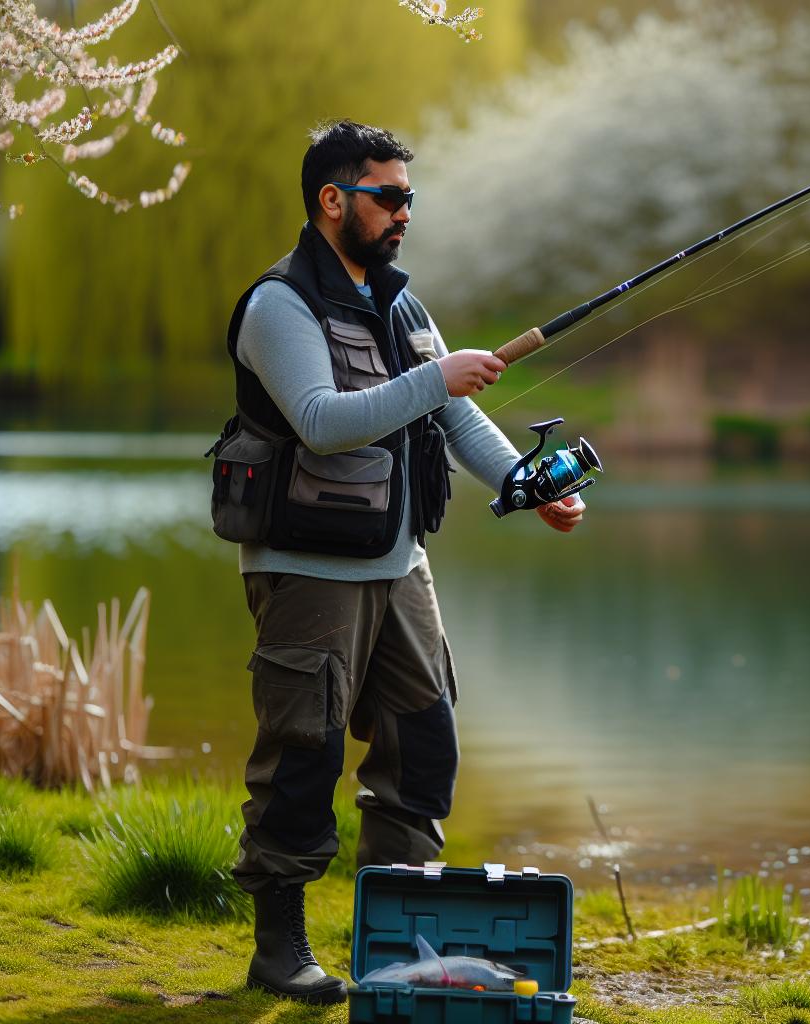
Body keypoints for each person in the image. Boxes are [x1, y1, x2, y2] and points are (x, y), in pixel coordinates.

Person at [222, 119, 584, 1004]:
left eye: (410, 197)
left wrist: (528, 482)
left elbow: (453, 416)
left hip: (400, 564)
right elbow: (319, 417)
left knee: (422, 750)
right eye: (389, 196)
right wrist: (437, 378)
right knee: (301, 755)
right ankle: (280, 952)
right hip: (308, 570)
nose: (404, 213)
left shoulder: (400, 303)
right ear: (332, 200)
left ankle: (400, 952)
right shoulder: (279, 305)